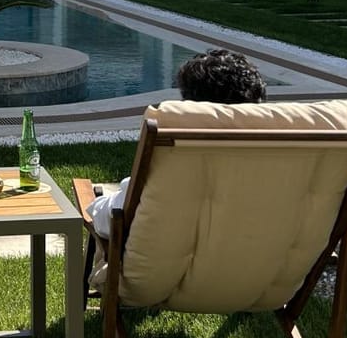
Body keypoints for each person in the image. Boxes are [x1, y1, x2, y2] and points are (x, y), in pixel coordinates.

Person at [85, 48, 267, 241]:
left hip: (167, 271)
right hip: (270, 270)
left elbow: (108, 222)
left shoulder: (174, 163)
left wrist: (95, 204)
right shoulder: (286, 161)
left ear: (191, 105)